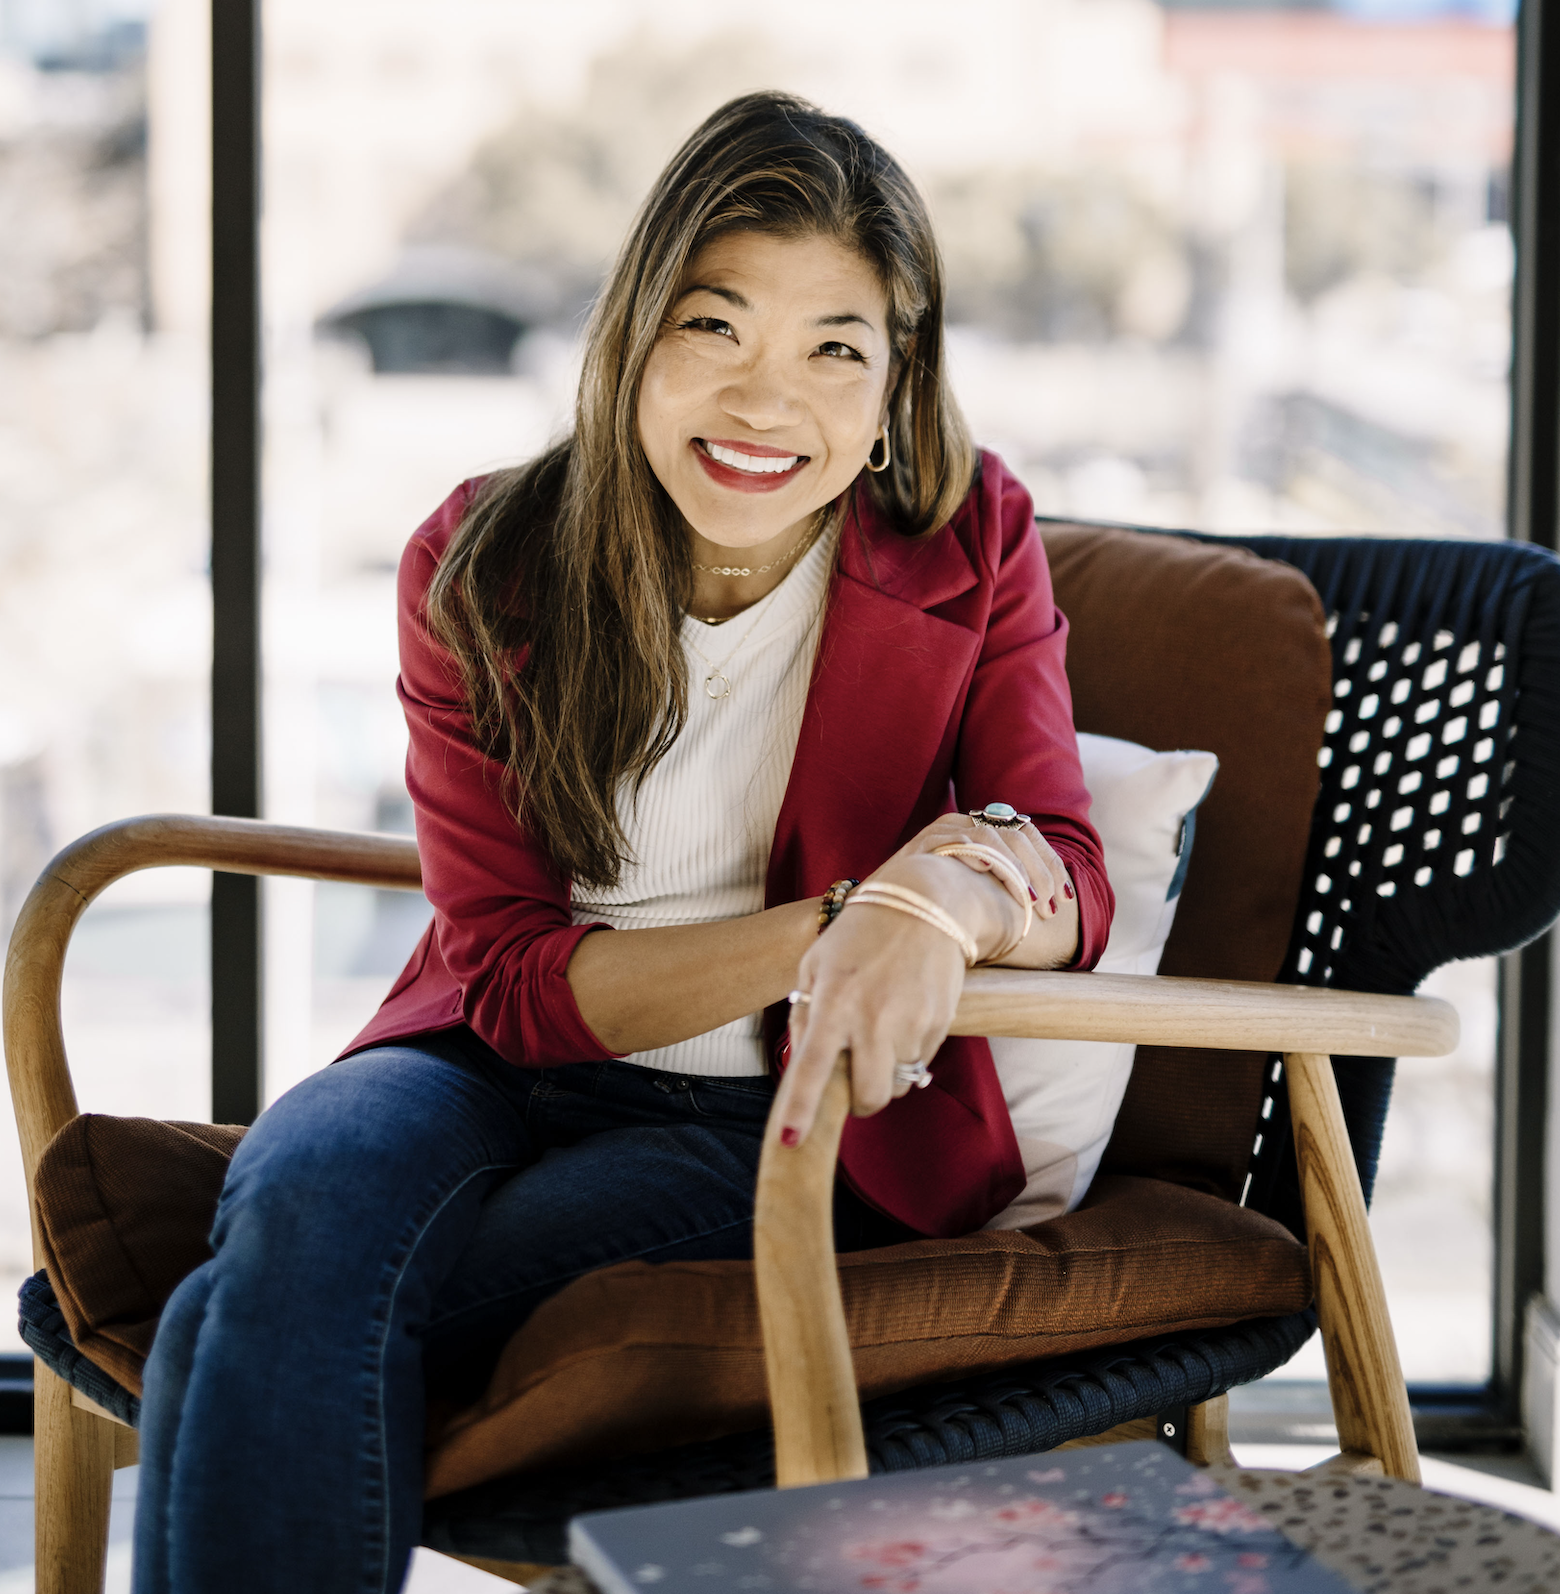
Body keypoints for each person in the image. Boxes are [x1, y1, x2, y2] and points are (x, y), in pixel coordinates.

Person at [132, 90, 1112, 1593]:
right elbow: (516, 982)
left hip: (764, 1118)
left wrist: (939, 911)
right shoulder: (487, 560)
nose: (764, 399)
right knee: (310, 1178)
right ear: (635, 329)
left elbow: (1065, 862)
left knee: (230, 1313)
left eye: (833, 348)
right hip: (481, 1056)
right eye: (715, 326)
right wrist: (836, 918)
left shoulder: (967, 535)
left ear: (895, 385)